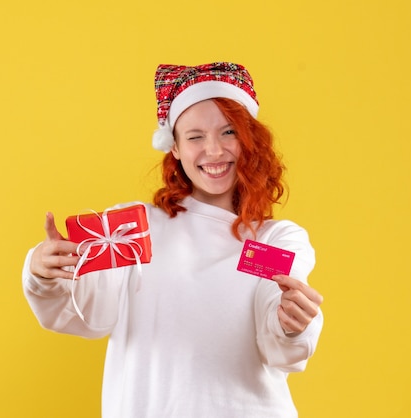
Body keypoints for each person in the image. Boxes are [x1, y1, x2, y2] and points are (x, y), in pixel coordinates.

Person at [22, 62, 324, 418]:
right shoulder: (136, 227)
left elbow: (278, 332)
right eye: (195, 136)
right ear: (175, 148)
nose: (213, 151)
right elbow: (89, 311)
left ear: (249, 140)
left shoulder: (272, 240)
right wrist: (46, 273)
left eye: (229, 132)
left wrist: (292, 324)